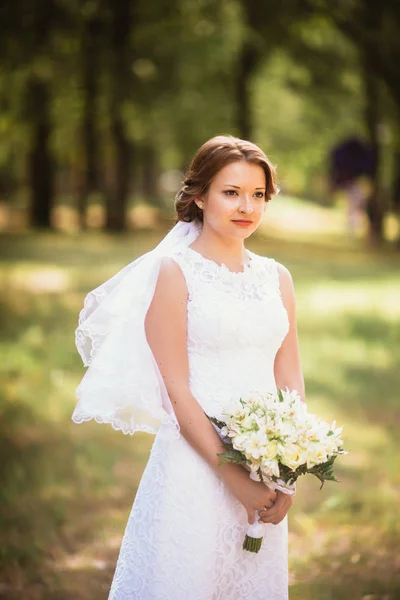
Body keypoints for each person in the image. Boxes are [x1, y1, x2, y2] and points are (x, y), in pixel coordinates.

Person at [72, 135, 305, 599]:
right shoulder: (174, 273)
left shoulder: (278, 278)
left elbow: (290, 375)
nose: (247, 207)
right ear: (199, 195)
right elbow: (175, 392)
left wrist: (288, 470)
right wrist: (233, 476)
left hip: (266, 470)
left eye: (258, 195)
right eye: (231, 192)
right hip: (195, 465)